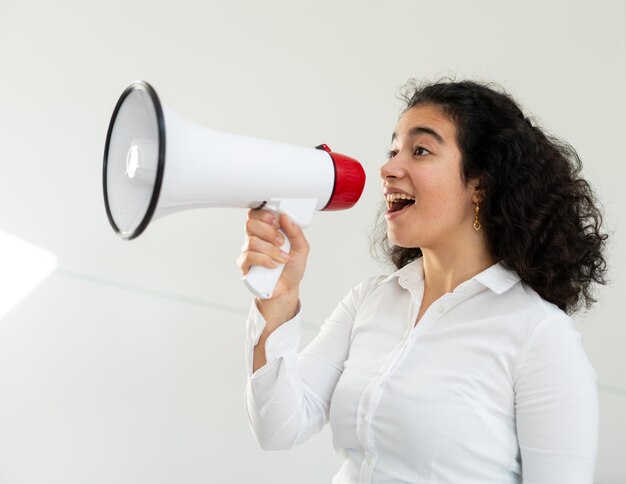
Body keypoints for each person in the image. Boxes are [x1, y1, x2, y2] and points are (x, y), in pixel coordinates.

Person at [237, 79, 608, 484]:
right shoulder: (371, 300)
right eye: (393, 150)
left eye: (421, 151)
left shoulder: (538, 335)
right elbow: (278, 426)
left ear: (480, 184)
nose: (388, 168)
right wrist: (278, 301)